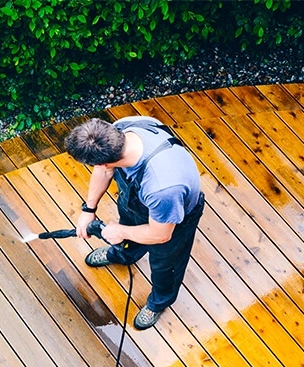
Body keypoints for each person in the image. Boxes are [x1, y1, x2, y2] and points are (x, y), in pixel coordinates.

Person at [64, 116, 205, 330]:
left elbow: (160, 235)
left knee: (165, 266)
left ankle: (159, 302)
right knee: (127, 234)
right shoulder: (121, 129)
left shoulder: (163, 187)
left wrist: (120, 231)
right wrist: (88, 209)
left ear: (103, 160)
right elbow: (104, 170)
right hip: (135, 202)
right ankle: (123, 255)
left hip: (172, 222)